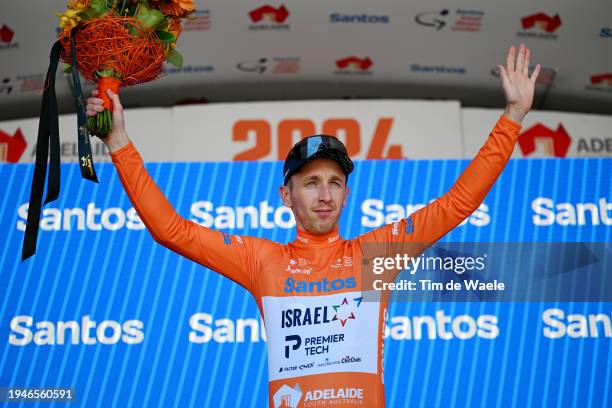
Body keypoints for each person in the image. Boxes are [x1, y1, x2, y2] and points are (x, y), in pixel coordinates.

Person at [87, 44, 540, 407]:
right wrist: (120, 142)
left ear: (346, 194)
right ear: (286, 195)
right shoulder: (262, 261)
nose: (325, 195)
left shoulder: (373, 255)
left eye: (335, 183)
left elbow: (458, 202)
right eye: (311, 183)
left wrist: (513, 116)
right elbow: (171, 230)